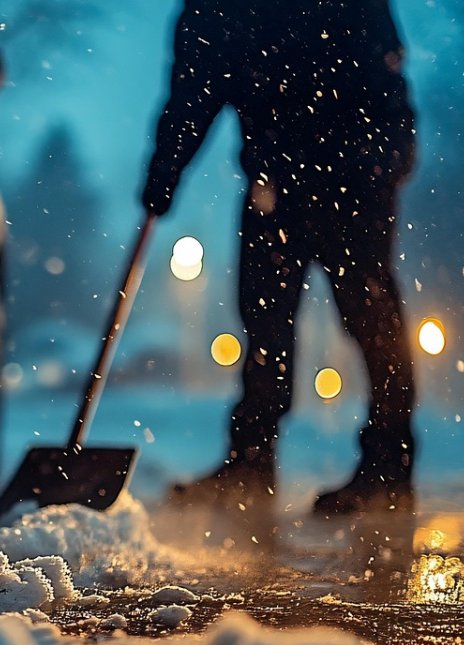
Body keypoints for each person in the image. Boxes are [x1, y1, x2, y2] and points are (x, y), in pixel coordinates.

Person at [143, 0, 418, 514]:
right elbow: (196, 90)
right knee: (266, 323)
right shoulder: (216, 9)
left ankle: (387, 464)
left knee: (368, 317)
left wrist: (384, 163)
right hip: (277, 184)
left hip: (354, 174)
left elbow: (383, 78)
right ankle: (250, 462)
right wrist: (165, 170)